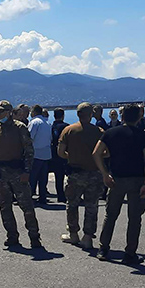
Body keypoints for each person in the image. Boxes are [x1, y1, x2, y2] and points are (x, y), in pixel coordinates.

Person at [92, 104, 145, 264]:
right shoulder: (144, 136)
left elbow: (96, 153)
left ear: (122, 117)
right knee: (134, 218)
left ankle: (103, 248)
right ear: (139, 117)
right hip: (137, 180)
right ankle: (130, 253)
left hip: (116, 179)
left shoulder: (110, 133)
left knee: (111, 215)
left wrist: (105, 174)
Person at [0, 100, 42, 249]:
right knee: (5, 207)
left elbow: (29, 151)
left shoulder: (20, 128)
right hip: (0, 174)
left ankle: (34, 236)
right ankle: (12, 236)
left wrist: (27, 171)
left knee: (27, 207)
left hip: (18, 172)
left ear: (9, 112)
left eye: (1, 111)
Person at [57, 102, 104, 250]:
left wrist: (71, 157)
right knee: (91, 206)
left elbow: (60, 152)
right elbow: (106, 152)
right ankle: (88, 237)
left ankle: (73, 234)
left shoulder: (68, 130)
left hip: (75, 173)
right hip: (94, 173)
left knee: (72, 204)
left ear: (78, 114)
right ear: (91, 115)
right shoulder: (99, 131)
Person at [27, 105, 51, 204]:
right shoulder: (47, 123)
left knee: (32, 177)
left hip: (36, 153)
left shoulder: (34, 122)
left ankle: (29, 197)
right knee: (43, 178)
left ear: (34, 112)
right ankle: (42, 197)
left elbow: (29, 137)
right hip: (46, 154)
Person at [50, 108, 69, 203]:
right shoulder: (66, 127)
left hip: (54, 154)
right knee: (70, 175)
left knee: (59, 177)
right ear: (63, 116)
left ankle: (60, 195)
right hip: (65, 153)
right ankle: (71, 195)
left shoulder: (51, 127)